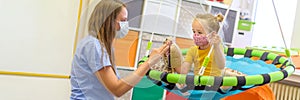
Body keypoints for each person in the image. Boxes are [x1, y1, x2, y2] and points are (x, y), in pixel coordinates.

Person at [70, 0, 170, 99]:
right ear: (108, 21)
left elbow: (118, 86)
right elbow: (117, 89)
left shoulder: (101, 46)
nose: (125, 25)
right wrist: (149, 63)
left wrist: (150, 61)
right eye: (122, 21)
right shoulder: (93, 45)